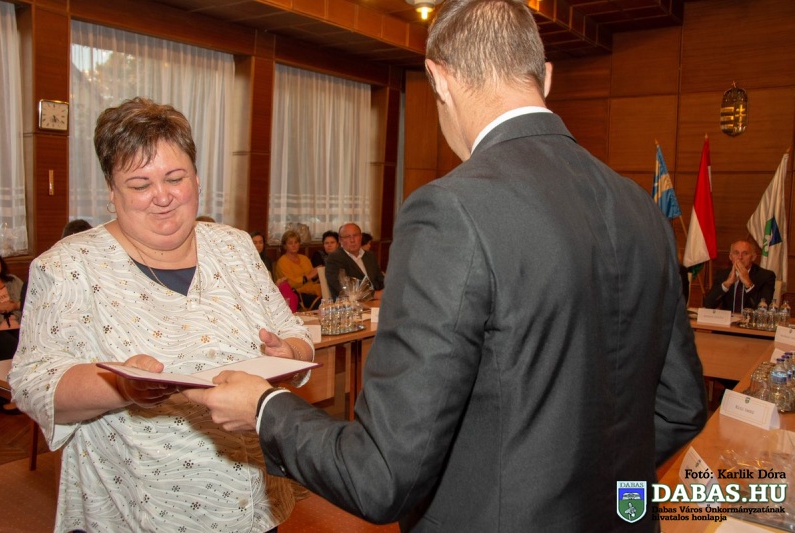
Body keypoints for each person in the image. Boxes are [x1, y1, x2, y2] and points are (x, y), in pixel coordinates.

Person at [185, 1, 706, 531]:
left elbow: (380, 475)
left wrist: (265, 408)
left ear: (438, 78)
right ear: (546, 77)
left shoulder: (452, 209)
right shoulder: (641, 207)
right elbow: (681, 405)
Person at [8, 97, 314, 533]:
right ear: (112, 192)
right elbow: (33, 384)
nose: (163, 197)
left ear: (197, 179)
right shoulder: (68, 267)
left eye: (175, 178)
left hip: (253, 504)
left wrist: (290, 353)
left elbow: (293, 333)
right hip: (142, 509)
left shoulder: (234, 246)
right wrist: (120, 386)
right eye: (139, 184)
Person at [703, 239, 776, 311]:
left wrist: (748, 284)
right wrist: (727, 284)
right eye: (736, 253)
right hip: (729, 318)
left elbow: (763, 309)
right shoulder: (722, 274)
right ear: (730, 257)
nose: (740, 257)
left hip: (751, 318)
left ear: (753, 257)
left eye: (745, 253)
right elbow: (708, 305)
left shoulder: (766, 276)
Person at [324, 223, 385, 299]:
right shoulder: (334, 258)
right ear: (340, 240)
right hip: (350, 304)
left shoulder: (370, 256)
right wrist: (374, 295)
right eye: (347, 236)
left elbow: (380, 280)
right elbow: (343, 288)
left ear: (361, 237)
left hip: (376, 302)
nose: (352, 240)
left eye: (355, 235)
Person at [251, 230, 299, 313]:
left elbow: (271, 283)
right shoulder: (246, 261)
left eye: (260, 242)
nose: (258, 245)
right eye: (255, 243)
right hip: (255, 292)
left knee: (286, 287)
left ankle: (291, 316)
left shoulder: (267, 261)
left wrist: (278, 283)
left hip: (268, 291)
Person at [275, 230, 322, 310]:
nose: (294, 245)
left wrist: (316, 274)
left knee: (330, 297)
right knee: (321, 303)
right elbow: (290, 283)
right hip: (296, 293)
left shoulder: (305, 258)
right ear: (285, 246)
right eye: (290, 243)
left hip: (312, 290)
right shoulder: (282, 262)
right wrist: (307, 277)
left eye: (296, 242)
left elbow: (312, 279)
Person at [0, 250, 22, 361]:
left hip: (19, 325)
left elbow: (29, 300)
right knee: (13, 347)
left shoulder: (13, 280)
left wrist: (15, 305)